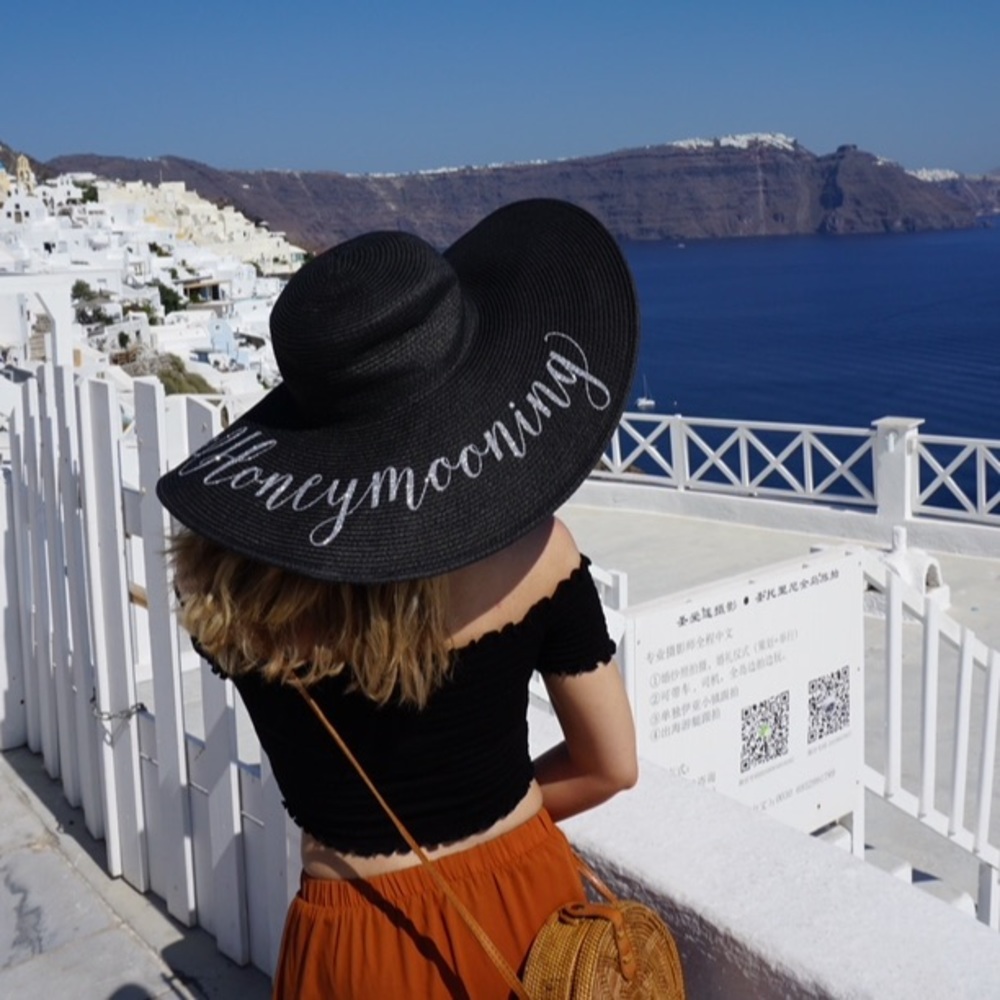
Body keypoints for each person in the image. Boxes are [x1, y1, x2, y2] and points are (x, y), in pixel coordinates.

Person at [157, 198, 641, 999]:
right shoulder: (541, 558)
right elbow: (611, 765)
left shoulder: (224, 592)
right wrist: (495, 831)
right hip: (528, 912)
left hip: (353, 936)